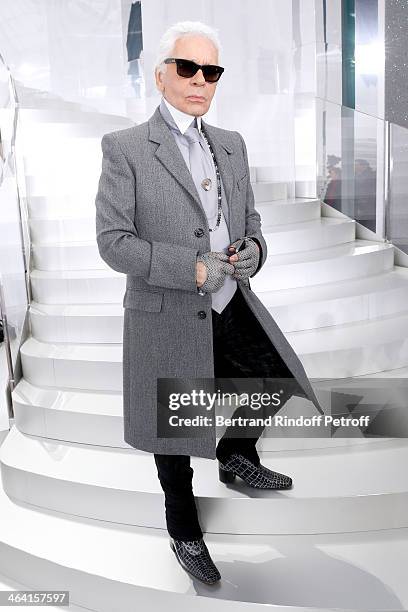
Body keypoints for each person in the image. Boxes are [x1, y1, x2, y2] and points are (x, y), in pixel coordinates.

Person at [95, 20, 324, 586]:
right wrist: (189, 267)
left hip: (229, 295)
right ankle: (184, 529)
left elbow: (249, 224)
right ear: (162, 75)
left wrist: (253, 250)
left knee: (272, 380)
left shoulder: (231, 143)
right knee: (172, 428)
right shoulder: (125, 148)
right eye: (188, 68)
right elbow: (112, 242)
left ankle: (234, 453)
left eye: (211, 71)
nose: (201, 80)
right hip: (167, 309)